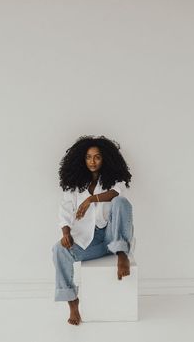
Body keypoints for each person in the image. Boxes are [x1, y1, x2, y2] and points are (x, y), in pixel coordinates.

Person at [51, 135, 134, 325]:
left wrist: (91, 200)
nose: (92, 161)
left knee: (121, 202)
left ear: (105, 159)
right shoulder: (74, 185)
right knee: (58, 250)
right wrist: (65, 232)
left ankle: (121, 253)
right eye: (88, 157)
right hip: (91, 242)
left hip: (113, 236)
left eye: (97, 157)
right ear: (82, 159)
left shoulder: (113, 180)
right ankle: (72, 302)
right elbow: (65, 209)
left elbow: (117, 194)